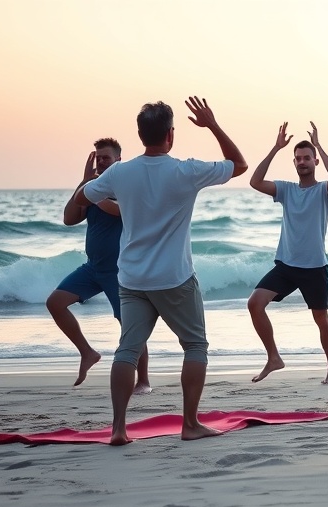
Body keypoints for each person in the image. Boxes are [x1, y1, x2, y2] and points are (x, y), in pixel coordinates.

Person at [75, 97, 248, 445]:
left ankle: (118, 429)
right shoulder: (186, 170)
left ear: (140, 135)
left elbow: (83, 198)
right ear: (170, 134)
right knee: (195, 345)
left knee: (127, 350)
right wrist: (212, 124)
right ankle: (190, 424)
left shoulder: (119, 173)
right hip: (174, 278)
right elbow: (239, 165)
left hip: (132, 278)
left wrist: (115, 200)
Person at [47, 138, 151, 394]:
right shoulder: (91, 190)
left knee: (129, 325)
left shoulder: (124, 188)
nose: (101, 162)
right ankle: (87, 353)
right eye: (98, 157)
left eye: (106, 157)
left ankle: (143, 380)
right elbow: (69, 219)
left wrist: (92, 192)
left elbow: (120, 211)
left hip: (119, 271)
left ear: (118, 161)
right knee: (55, 303)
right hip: (93, 268)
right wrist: (84, 183)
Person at [247, 121, 328, 385]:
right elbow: (255, 181)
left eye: (307, 158)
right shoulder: (287, 190)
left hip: (314, 267)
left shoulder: (324, 191)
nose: (302, 162)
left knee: (321, 319)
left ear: (315, 161)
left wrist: (319, 145)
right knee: (255, 303)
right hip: (286, 266)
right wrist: (276, 148)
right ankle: (273, 357)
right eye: (298, 159)